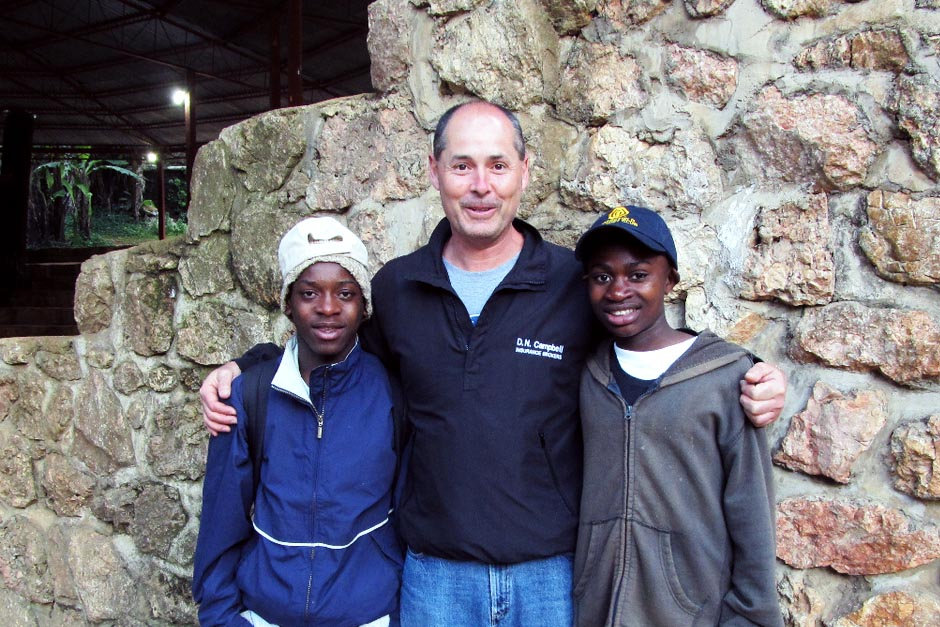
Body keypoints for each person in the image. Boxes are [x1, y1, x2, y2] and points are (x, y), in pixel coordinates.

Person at [199, 101, 787, 626]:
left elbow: (649, 345)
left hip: (550, 578)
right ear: (435, 173)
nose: (481, 185)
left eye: (498, 166)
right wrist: (246, 364)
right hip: (435, 578)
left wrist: (749, 370)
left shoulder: (569, 283)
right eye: (462, 166)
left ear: (524, 173)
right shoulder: (399, 288)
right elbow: (332, 350)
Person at [572, 206, 781, 626]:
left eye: (637, 275)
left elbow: (752, 510)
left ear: (670, 280)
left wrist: (752, 616)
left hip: (689, 614)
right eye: (601, 276)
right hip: (595, 608)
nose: (617, 290)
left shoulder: (725, 378)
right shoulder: (587, 374)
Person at [192, 217, 402, 627]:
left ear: (364, 307)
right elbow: (221, 520)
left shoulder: (392, 393)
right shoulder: (249, 394)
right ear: (287, 303)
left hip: (369, 615)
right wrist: (221, 618)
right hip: (264, 616)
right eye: (309, 293)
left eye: (345, 293)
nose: (327, 307)